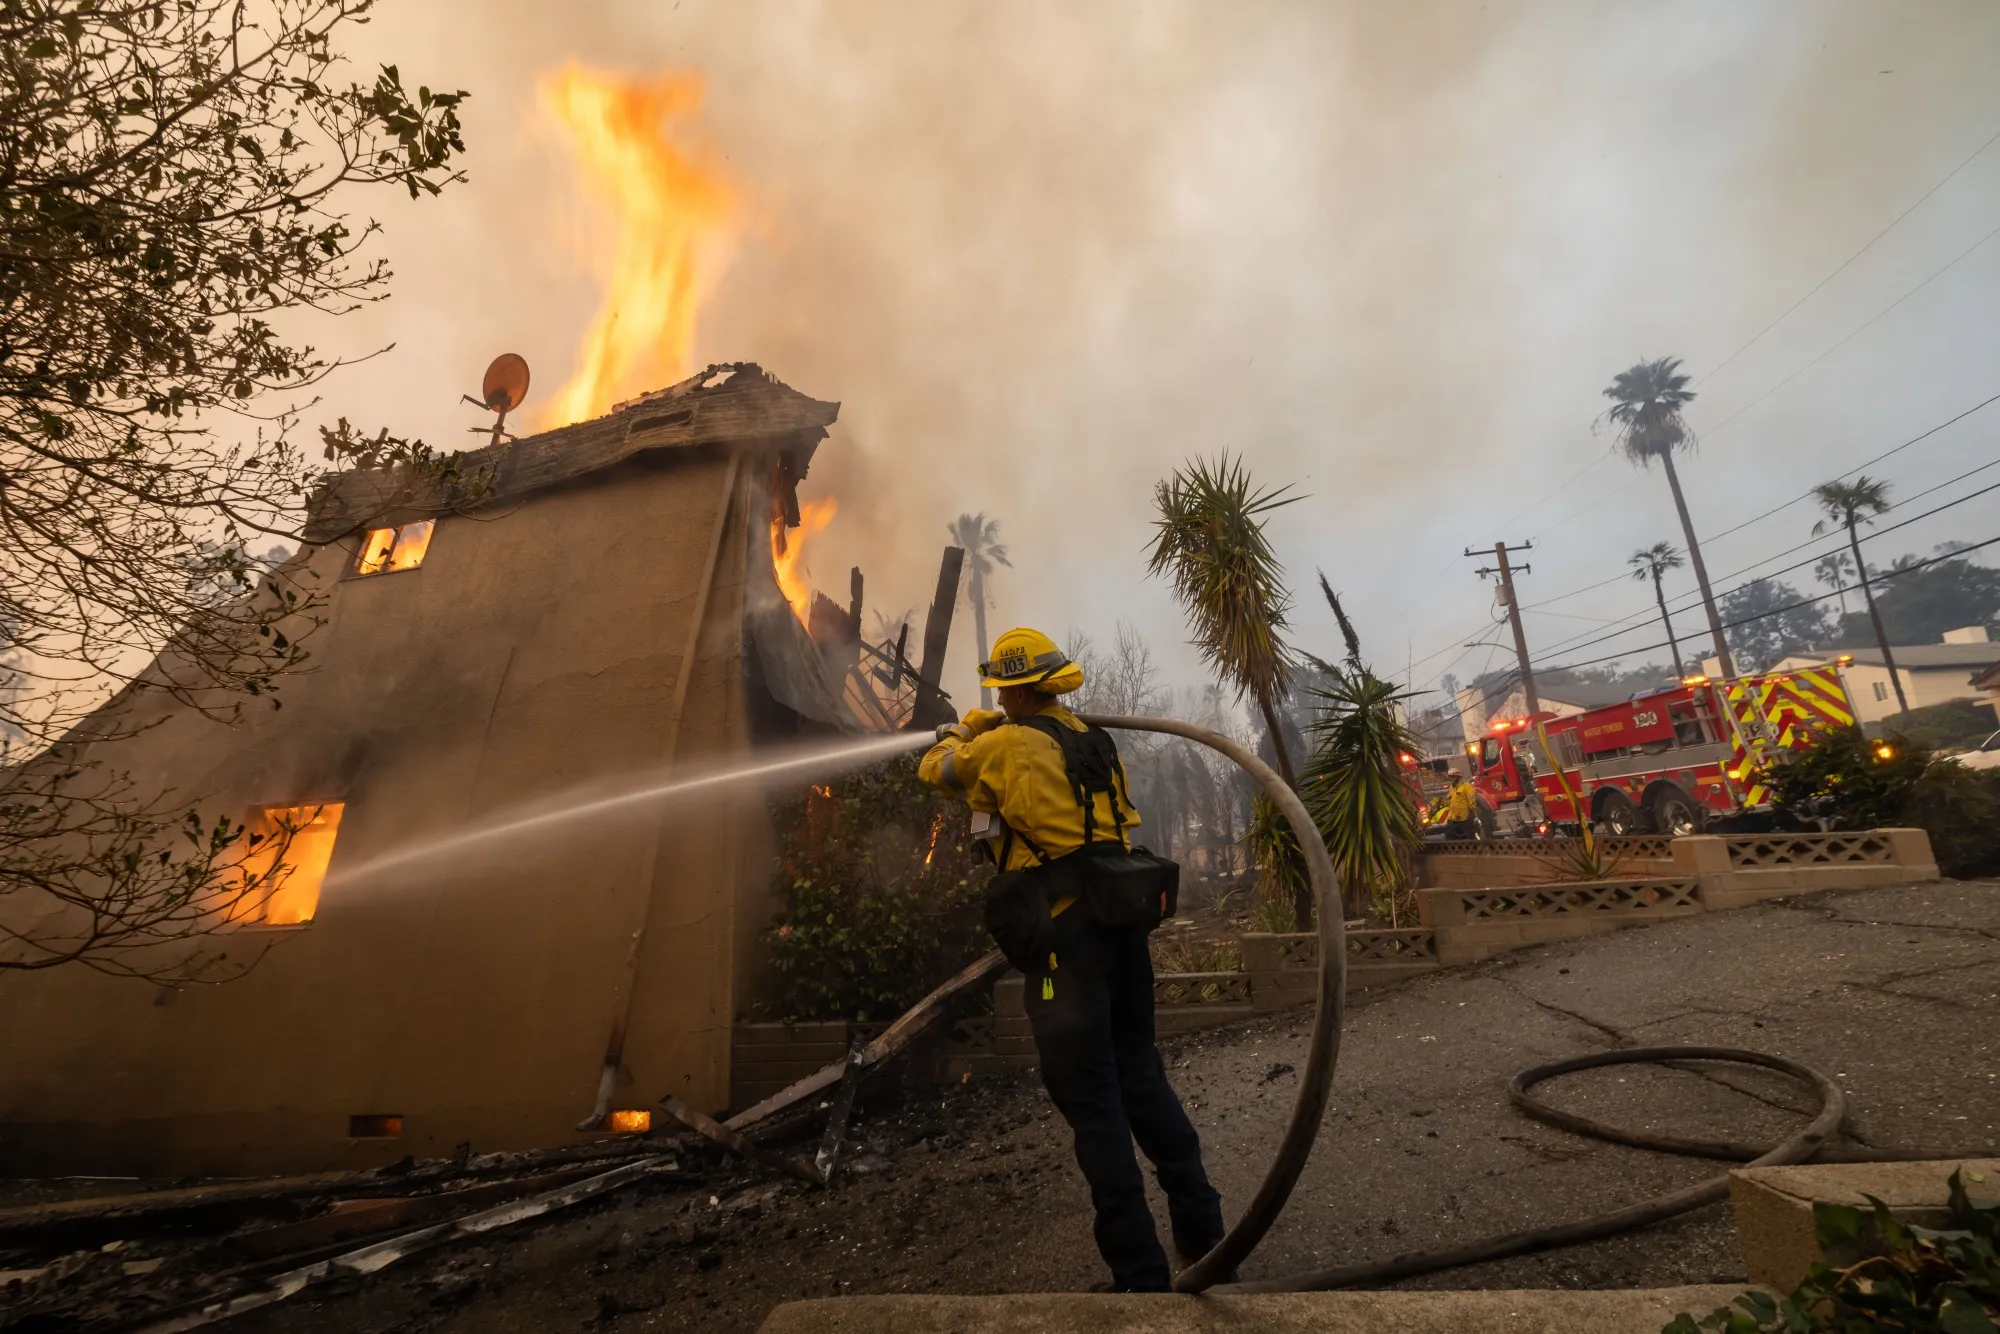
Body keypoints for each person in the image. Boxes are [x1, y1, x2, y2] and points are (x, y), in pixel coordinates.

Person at [920, 627, 1224, 1292]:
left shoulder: (1002, 745)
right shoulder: (1094, 740)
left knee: (1093, 1104)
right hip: (1121, 929)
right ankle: (1203, 1230)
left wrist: (955, 734)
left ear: (1019, 686)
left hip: (1067, 947)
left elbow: (936, 773)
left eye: (1002, 686)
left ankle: (1138, 1276)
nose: (997, 695)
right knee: (1140, 1076)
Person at [1440, 768, 1479, 840]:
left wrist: (1473, 813)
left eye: (1453, 776)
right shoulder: (1451, 787)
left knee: (1468, 838)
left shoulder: (1466, 786)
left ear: (1458, 777)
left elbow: (1472, 799)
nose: (1451, 778)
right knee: (1450, 837)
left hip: (1464, 819)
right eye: (1450, 776)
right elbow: (1450, 801)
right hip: (1452, 819)